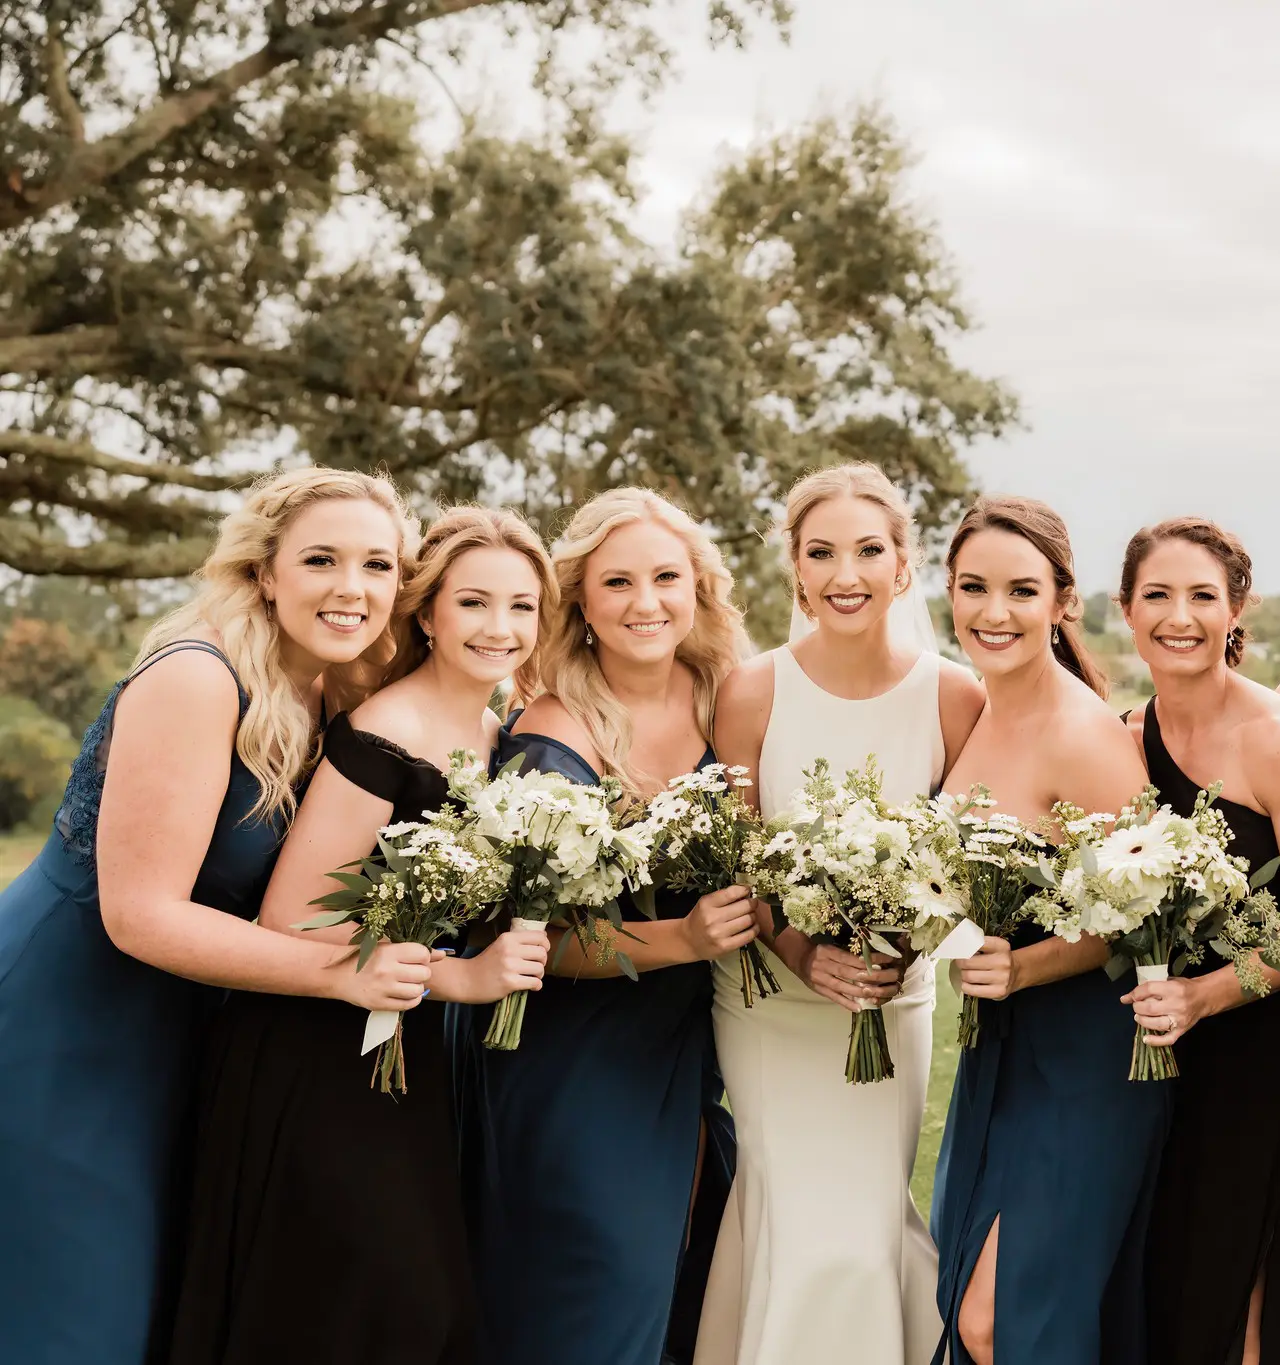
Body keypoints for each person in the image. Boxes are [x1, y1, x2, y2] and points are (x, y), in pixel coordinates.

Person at [0, 468, 428, 1365]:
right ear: (266, 572)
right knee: (77, 1314)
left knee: (158, 1308)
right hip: (69, 1022)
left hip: (186, 1027)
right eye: (321, 560)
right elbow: (140, 913)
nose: (352, 589)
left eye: (377, 566)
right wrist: (343, 972)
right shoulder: (199, 676)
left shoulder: (338, 692)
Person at [167, 508, 557, 1365]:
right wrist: (459, 977)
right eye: (475, 603)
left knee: (400, 1308)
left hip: (404, 1051)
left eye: (522, 607)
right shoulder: (382, 731)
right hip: (314, 1052)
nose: (501, 628)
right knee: (366, 1305)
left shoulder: (500, 736)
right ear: (427, 614)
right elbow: (293, 917)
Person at [694, 463, 983, 1365]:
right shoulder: (751, 691)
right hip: (769, 1006)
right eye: (821, 552)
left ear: (905, 566)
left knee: (857, 1224)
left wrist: (905, 946)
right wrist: (800, 951)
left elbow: (974, 862)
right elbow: (739, 858)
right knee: (798, 1213)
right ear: (797, 569)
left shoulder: (953, 695)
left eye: (868, 550)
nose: (845, 572)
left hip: (893, 1008)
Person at [471, 488, 758, 1365]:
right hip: (580, 1059)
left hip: (697, 1043)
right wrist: (683, 939)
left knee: (695, 1280)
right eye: (618, 581)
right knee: (603, 1287)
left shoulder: (732, 701)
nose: (646, 603)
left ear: (699, 589)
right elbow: (532, 946)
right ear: (581, 601)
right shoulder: (552, 735)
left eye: (667, 577)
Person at [929, 496, 1170, 1364]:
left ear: (1063, 601)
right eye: (974, 587)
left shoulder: (1084, 735)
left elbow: (1148, 921)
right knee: (965, 1304)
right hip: (1001, 1049)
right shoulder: (977, 709)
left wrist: (1025, 968)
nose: (995, 612)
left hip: (1088, 1061)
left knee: (1004, 1320)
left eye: (1022, 591)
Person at [1117, 517, 1280, 1365]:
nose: (1178, 616)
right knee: (1174, 1289)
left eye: (1201, 596)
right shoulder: (1123, 737)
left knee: (1250, 1305)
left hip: (1273, 1054)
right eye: (1157, 595)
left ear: (1236, 609)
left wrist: (1205, 995)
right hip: (1168, 1065)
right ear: (1125, 608)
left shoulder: (1279, 741)